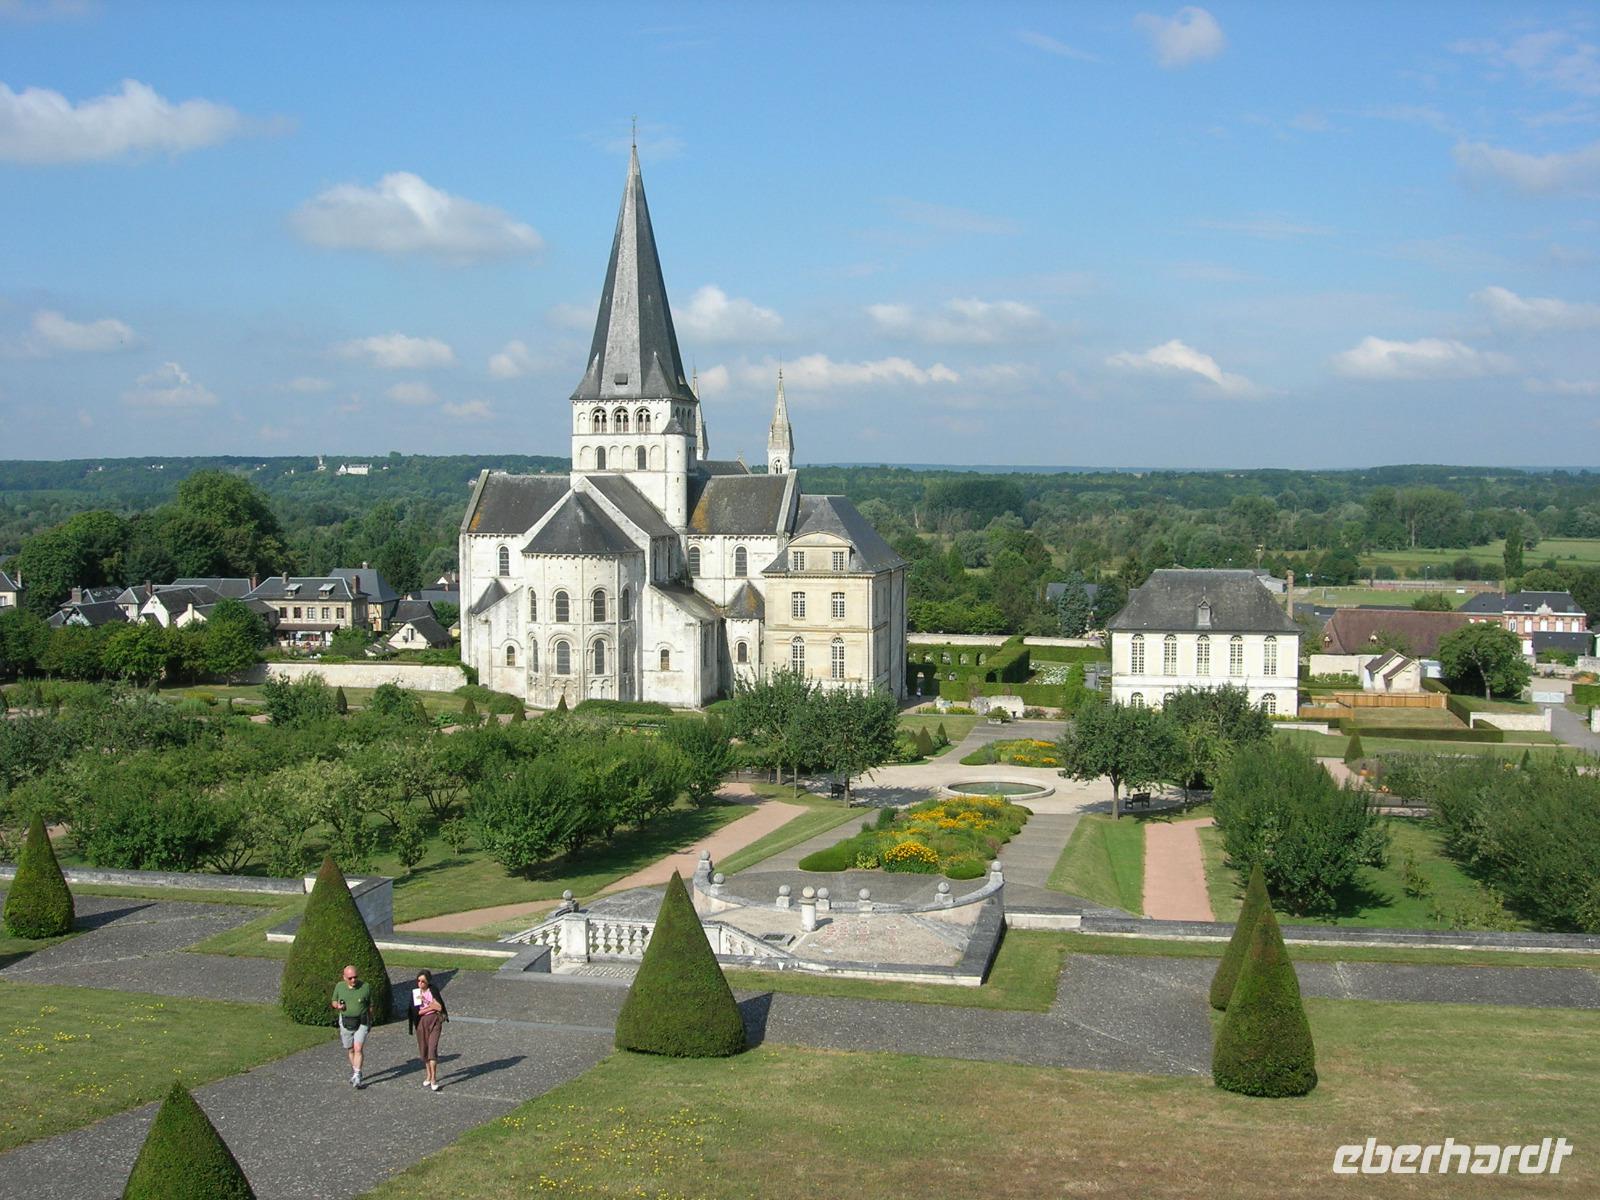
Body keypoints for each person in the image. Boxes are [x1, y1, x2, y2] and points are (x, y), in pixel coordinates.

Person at [331, 963, 372, 1088]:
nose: (353, 980)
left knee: (358, 1048)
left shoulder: (365, 987)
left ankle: (357, 1074)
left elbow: (370, 1005)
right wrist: (338, 1006)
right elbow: (333, 1001)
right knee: (350, 1049)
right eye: (350, 978)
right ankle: (356, 1071)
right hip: (346, 1022)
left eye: (355, 977)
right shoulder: (339, 987)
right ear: (344, 978)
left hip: (362, 1021)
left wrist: (370, 1021)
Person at [408, 969, 448, 1092]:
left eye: (423, 981)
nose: (420, 983)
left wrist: (426, 1002)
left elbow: (439, 1007)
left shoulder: (433, 990)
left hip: (435, 1021)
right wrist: (430, 1007)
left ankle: (434, 1079)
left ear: (428, 982)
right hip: (422, 1023)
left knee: (432, 1049)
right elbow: (417, 1012)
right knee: (424, 1050)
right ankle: (428, 1075)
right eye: (418, 981)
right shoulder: (415, 993)